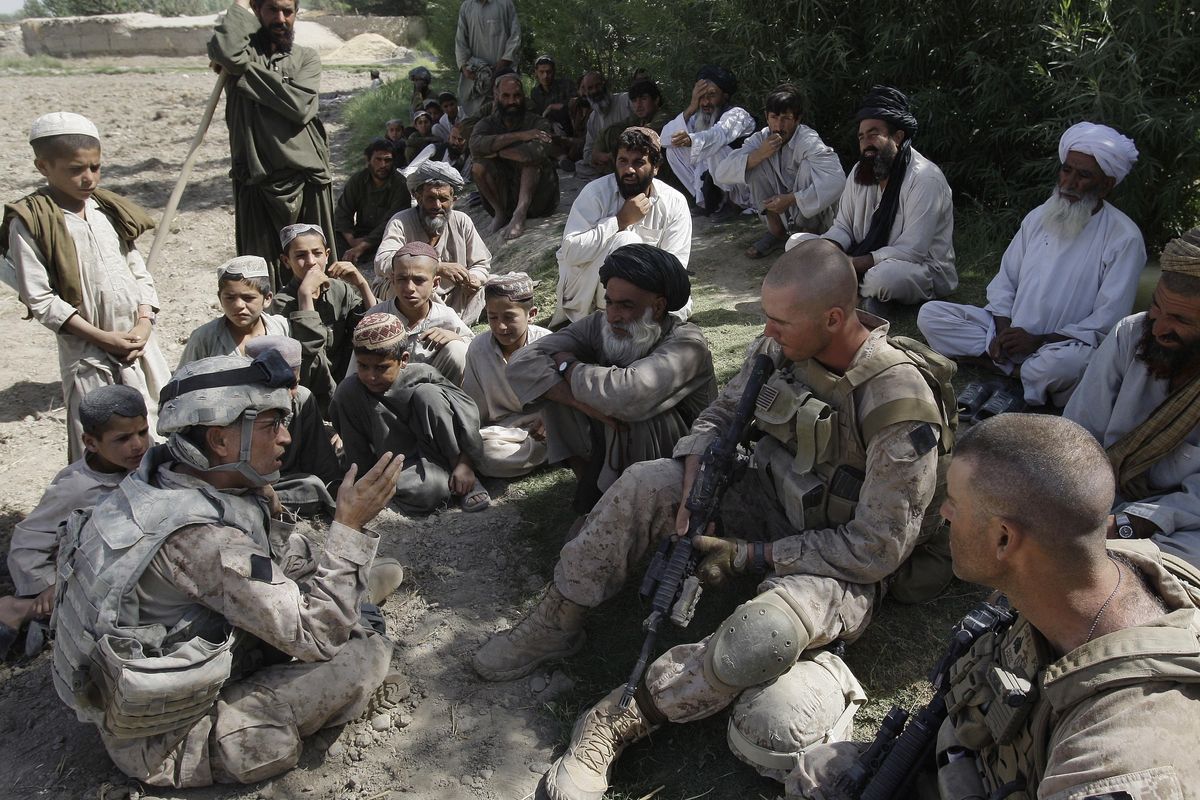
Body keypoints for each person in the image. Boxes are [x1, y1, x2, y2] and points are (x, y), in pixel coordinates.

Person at [475, 240, 955, 800]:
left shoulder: (897, 403)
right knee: (645, 482)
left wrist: (752, 556)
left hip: (839, 558)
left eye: (780, 322)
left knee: (762, 636)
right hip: (767, 502)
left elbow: (878, 547)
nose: (767, 333)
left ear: (833, 318)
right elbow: (722, 414)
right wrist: (691, 488)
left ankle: (616, 719)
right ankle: (557, 620)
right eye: (766, 319)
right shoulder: (784, 345)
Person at [788, 414, 1200, 799]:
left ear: (1005, 539)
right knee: (816, 770)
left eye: (955, 504)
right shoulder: (1071, 571)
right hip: (973, 759)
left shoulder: (1117, 757)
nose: (945, 514)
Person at [50, 351, 406, 788]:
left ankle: (347, 594)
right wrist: (349, 527)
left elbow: (269, 554)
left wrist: (268, 505)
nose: (285, 439)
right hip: (165, 737)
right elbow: (317, 636)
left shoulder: (159, 474)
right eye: (270, 425)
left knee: (314, 576)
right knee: (360, 655)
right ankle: (355, 607)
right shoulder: (202, 540)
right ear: (219, 441)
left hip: (148, 675)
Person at [918, 122, 1144, 408]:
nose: (1069, 183)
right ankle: (1016, 370)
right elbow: (1005, 281)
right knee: (931, 315)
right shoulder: (1039, 217)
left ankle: (1004, 368)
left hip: (1062, 345)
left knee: (1063, 366)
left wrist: (1037, 341)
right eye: (1066, 170)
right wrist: (1003, 329)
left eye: (1083, 175)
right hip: (1011, 331)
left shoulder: (1124, 238)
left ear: (1107, 184)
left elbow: (1107, 320)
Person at [2, 111, 169, 463]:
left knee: (153, 427)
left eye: (95, 167)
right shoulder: (33, 220)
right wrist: (102, 337)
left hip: (139, 344)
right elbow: (41, 299)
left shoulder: (107, 208)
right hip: (87, 351)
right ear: (44, 166)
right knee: (103, 443)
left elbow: (136, 269)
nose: (88, 178)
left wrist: (143, 321)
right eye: (75, 169)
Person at [506, 243, 717, 512]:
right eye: (609, 302)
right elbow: (522, 362)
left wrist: (568, 366)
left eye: (627, 306)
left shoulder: (687, 343)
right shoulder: (600, 324)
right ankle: (592, 488)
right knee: (553, 390)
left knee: (635, 414)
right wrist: (578, 402)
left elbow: (630, 393)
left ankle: (637, 505)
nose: (614, 316)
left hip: (684, 455)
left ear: (659, 306)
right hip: (615, 434)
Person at [1064, 227, 1200, 568]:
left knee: (1173, 562)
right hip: (1098, 490)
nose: (1158, 329)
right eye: (1157, 308)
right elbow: (1079, 432)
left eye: (1180, 320)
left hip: (1180, 519)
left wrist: (1131, 523)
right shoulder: (1130, 334)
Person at [0, 385, 149, 658]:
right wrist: (47, 584)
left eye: (142, 432)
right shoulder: (76, 488)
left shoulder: (147, 465)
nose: (138, 444)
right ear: (91, 443)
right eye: (123, 438)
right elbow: (27, 542)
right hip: (85, 573)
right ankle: (20, 609)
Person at [208, 0, 336, 286]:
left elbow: (300, 104)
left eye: (287, 11)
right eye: (272, 10)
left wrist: (242, 72)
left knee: (314, 264)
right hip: (257, 177)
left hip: (306, 175)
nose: (281, 18)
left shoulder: (306, 58)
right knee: (258, 275)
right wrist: (239, 6)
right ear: (257, 11)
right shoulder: (241, 54)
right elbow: (227, 50)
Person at [793, 85, 955, 310]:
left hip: (918, 268)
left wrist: (851, 265)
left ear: (897, 137)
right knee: (798, 245)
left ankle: (848, 291)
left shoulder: (925, 178)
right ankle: (865, 297)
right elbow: (844, 227)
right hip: (861, 259)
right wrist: (827, 252)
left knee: (885, 277)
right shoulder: (861, 170)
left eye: (874, 134)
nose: (866, 143)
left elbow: (912, 251)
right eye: (861, 137)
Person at [332, 313, 490, 514]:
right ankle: (448, 484)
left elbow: (466, 415)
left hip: (442, 455)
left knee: (429, 394)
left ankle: (465, 475)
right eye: (363, 366)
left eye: (381, 368)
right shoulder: (350, 391)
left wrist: (465, 464)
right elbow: (357, 451)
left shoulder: (423, 375)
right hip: (398, 464)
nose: (371, 376)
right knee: (431, 490)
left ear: (403, 359)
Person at [551, 127, 693, 327]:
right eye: (623, 161)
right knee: (626, 242)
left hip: (646, 294)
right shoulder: (595, 194)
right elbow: (571, 252)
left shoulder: (674, 202)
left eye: (639, 162)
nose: (629, 170)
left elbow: (675, 265)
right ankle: (613, 319)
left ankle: (639, 317)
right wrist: (620, 221)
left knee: (676, 299)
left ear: (656, 167)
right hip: (587, 296)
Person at [712, 84, 844, 259]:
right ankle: (777, 233)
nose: (779, 125)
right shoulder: (760, 139)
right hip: (783, 214)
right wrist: (758, 155)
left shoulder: (808, 139)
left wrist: (792, 199)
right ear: (767, 117)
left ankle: (808, 235)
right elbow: (721, 173)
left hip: (816, 219)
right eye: (774, 117)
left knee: (808, 167)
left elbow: (837, 179)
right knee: (752, 163)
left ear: (797, 120)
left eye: (786, 118)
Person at [271, 223, 375, 414]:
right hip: (310, 388)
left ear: (327, 255)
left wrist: (361, 283)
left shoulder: (339, 289)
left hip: (344, 380)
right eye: (301, 255)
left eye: (317, 253)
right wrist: (305, 295)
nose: (311, 262)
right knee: (315, 356)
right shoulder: (281, 303)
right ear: (286, 261)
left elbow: (374, 327)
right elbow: (309, 349)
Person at [374, 161, 491, 324]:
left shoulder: (461, 221)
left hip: (452, 294)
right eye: (430, 198)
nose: (437, 205)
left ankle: (453, 323)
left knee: (490, 287)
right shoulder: (401, 221)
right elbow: (382, 262)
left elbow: (481, 263)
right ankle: (437, 323)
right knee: (400, 288)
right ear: (418, 197)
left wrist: (473, 278)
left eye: (443, 199)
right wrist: (438, 268)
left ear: (454, 200)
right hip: (411, 292)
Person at [463, 273, 551, 478]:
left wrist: (550, 417)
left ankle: (550, 452)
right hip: (502, 432)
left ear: (532, 314)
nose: (500, 326)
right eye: (493, 317)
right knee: (487, 452)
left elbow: (566, 399)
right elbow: (476, 412)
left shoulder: (548, 344)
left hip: (545, 425)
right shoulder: (478, 349)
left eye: (509, 317)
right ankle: (551, 456)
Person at [244, 335, 343, 515]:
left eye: (294, 384)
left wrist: (337, 493)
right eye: (280, 387)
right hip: (244, 486)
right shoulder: (241, 407)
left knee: (313, 486)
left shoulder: (301, 399)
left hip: (284, 483)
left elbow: (322, 465)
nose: (289, 394)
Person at [365, 242, 475, 385]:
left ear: (435, 284)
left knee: (458, 349)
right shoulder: (377, 317)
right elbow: (357, 370)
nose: (410, 288)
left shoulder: (446, 316)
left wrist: (455, 337)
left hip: (435, 397)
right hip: (387, 398)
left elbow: (476, 350)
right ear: (392, 279)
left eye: (419, 280)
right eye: (402, 279)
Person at [470, 74, 560, 241]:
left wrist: (496, 151)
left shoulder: (538, 123)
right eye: (506, 96)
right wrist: (521, 136)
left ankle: (520, 215)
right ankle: (500, 214)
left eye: (517, 96)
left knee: (530, 163)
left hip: (539, 201)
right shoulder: (487, 123)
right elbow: (475, 145)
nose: (512, 101)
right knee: (478, 167)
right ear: (497, 96)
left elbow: (533, 153)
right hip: (505, 196)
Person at [661, 65, 756, 219]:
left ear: (725, 96)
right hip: (714, 183)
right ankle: (706, 202)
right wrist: (692, 107)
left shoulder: (737, 115)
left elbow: (719, 135)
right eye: (701, 96)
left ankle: (735, 204)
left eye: (711, 95)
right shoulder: (698, 117)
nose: (705, 102)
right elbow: (665, 140)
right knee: (673, 150)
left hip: (746, 187)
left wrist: (692, 140)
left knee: (715, 146)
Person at [179, 256, 290, 366]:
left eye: (248, 298)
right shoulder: (204, 338)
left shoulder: (282, 328)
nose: (238, 305)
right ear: (220, 299)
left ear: (267, 299)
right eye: (230, 298)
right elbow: (182, 380)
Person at [333, 138, 413, 266]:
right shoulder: (358, 180)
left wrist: (363, 246)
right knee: (331, 236)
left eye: (388, 160)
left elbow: (392, 221)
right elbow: (343, 212)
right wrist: (351, 240)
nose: (383, 165)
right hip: (359, 234)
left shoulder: (400, 184)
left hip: (385, 236)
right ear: (369, 160)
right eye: (378, 160)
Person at [454, 0, 521, 116]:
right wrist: (463, 66)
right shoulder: (467, 6)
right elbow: (460, 40)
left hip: (502, 73)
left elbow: (515, 35)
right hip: (476, 76)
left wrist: (505, 61)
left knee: (505, 113)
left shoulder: (505, 4)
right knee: (476, 118)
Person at [593, 79, 673, 171]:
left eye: (643, 99)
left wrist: (616, 154)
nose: (638, 105)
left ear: (656, 100)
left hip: (663, 171)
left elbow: (644, 135)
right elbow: (610, 129)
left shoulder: (664, 116)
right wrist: (598, 153)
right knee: (612, 131)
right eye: (634, 100)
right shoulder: (638, 118)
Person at [574, 71, 634, 180]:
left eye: (598, 85)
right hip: (607, 164)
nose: (595, 91)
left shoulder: (625, 101)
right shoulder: (593, 118)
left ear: (605, 85)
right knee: (580, 166)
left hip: (631, 156)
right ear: (585, 93)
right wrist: (597, 156)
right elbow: (587, 152)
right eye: (590, 88)